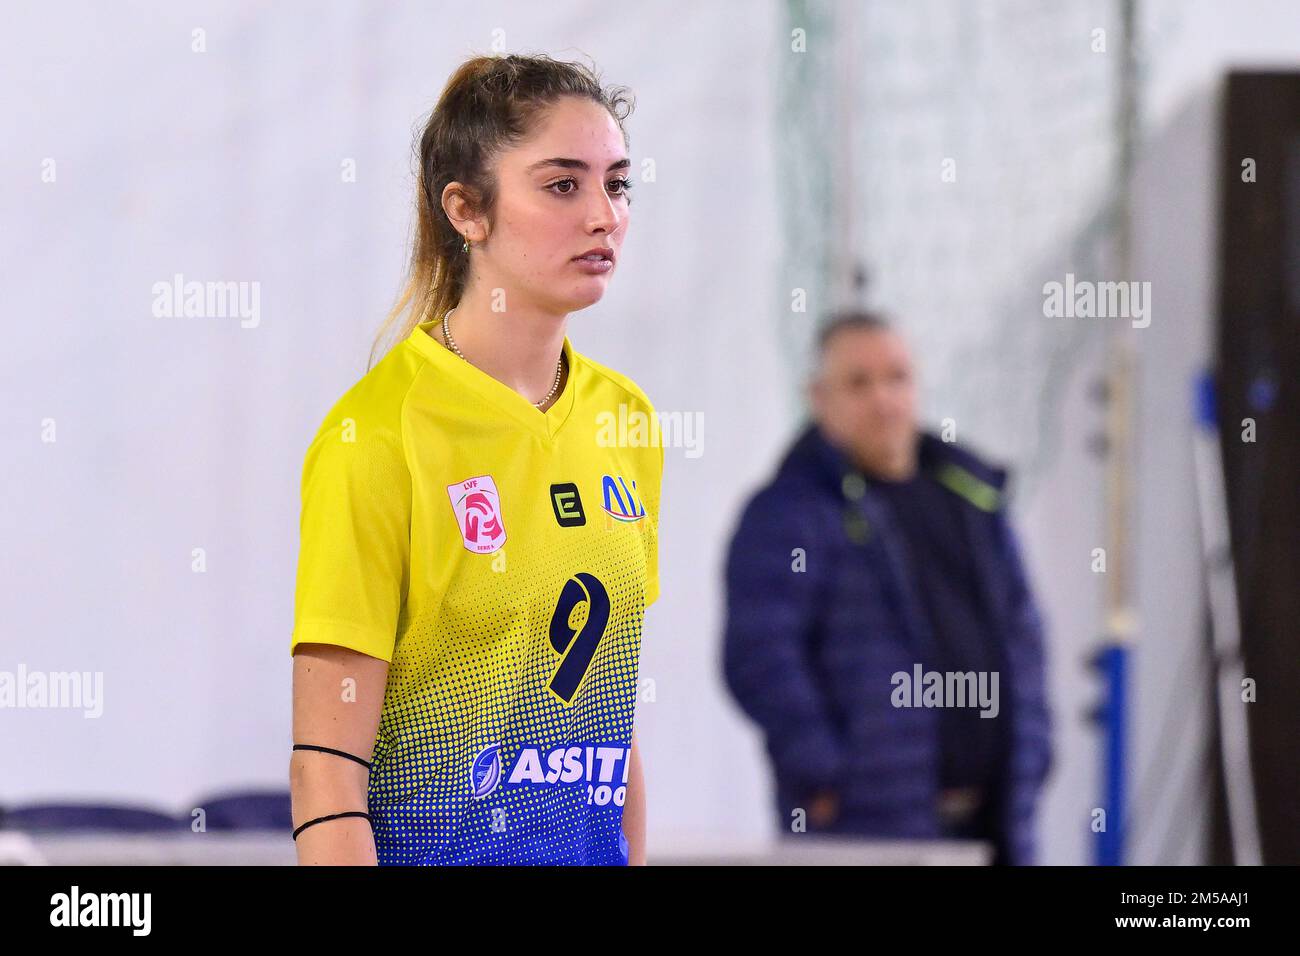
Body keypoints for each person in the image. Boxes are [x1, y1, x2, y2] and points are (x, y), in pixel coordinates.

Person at [288, 54, 662, 865]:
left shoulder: (626, 420)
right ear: (466, 209)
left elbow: (613, 723)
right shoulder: (379, 435)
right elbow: (326, 777)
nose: (604, 214)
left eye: (618, 184)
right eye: (563, 185)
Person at [722, 310, 1053, 865]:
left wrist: (1034, 749)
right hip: (865, 827)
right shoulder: (789, 514)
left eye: (897, 377)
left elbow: (1023, 633)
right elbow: (760, 655)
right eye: (858, 382)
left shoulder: (971, 498)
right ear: (818, 396)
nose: (883, 399)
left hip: (995, 821)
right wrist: (822, 771)